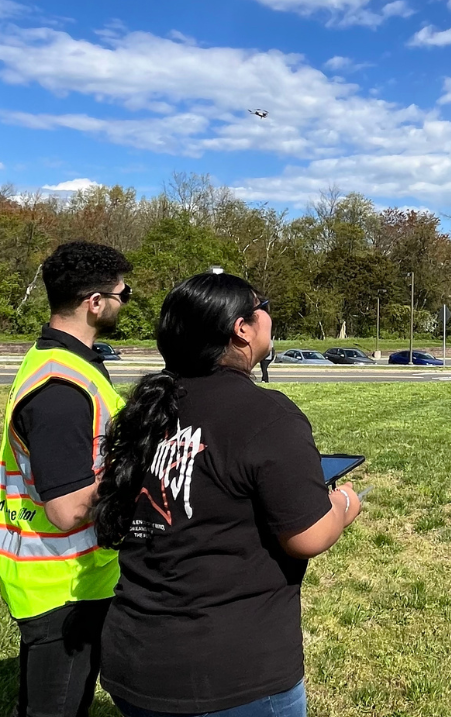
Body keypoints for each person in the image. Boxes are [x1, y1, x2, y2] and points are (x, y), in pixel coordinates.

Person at [94, 272, 361, 717]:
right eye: (265, 307)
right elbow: (307, 536)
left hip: (133, 659)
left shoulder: (148, 409)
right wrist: (346, 503)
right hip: (232, 678)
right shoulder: (267, 413)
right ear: (242, 328)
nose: (270, 318)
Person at [0, 240, 132, 717]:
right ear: (94, 302)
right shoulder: (61, 386)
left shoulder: (65, 362)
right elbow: (68, 508)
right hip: (62, 585)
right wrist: (135, 472)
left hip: (68, 574)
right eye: (124, 294)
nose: (124, 301)